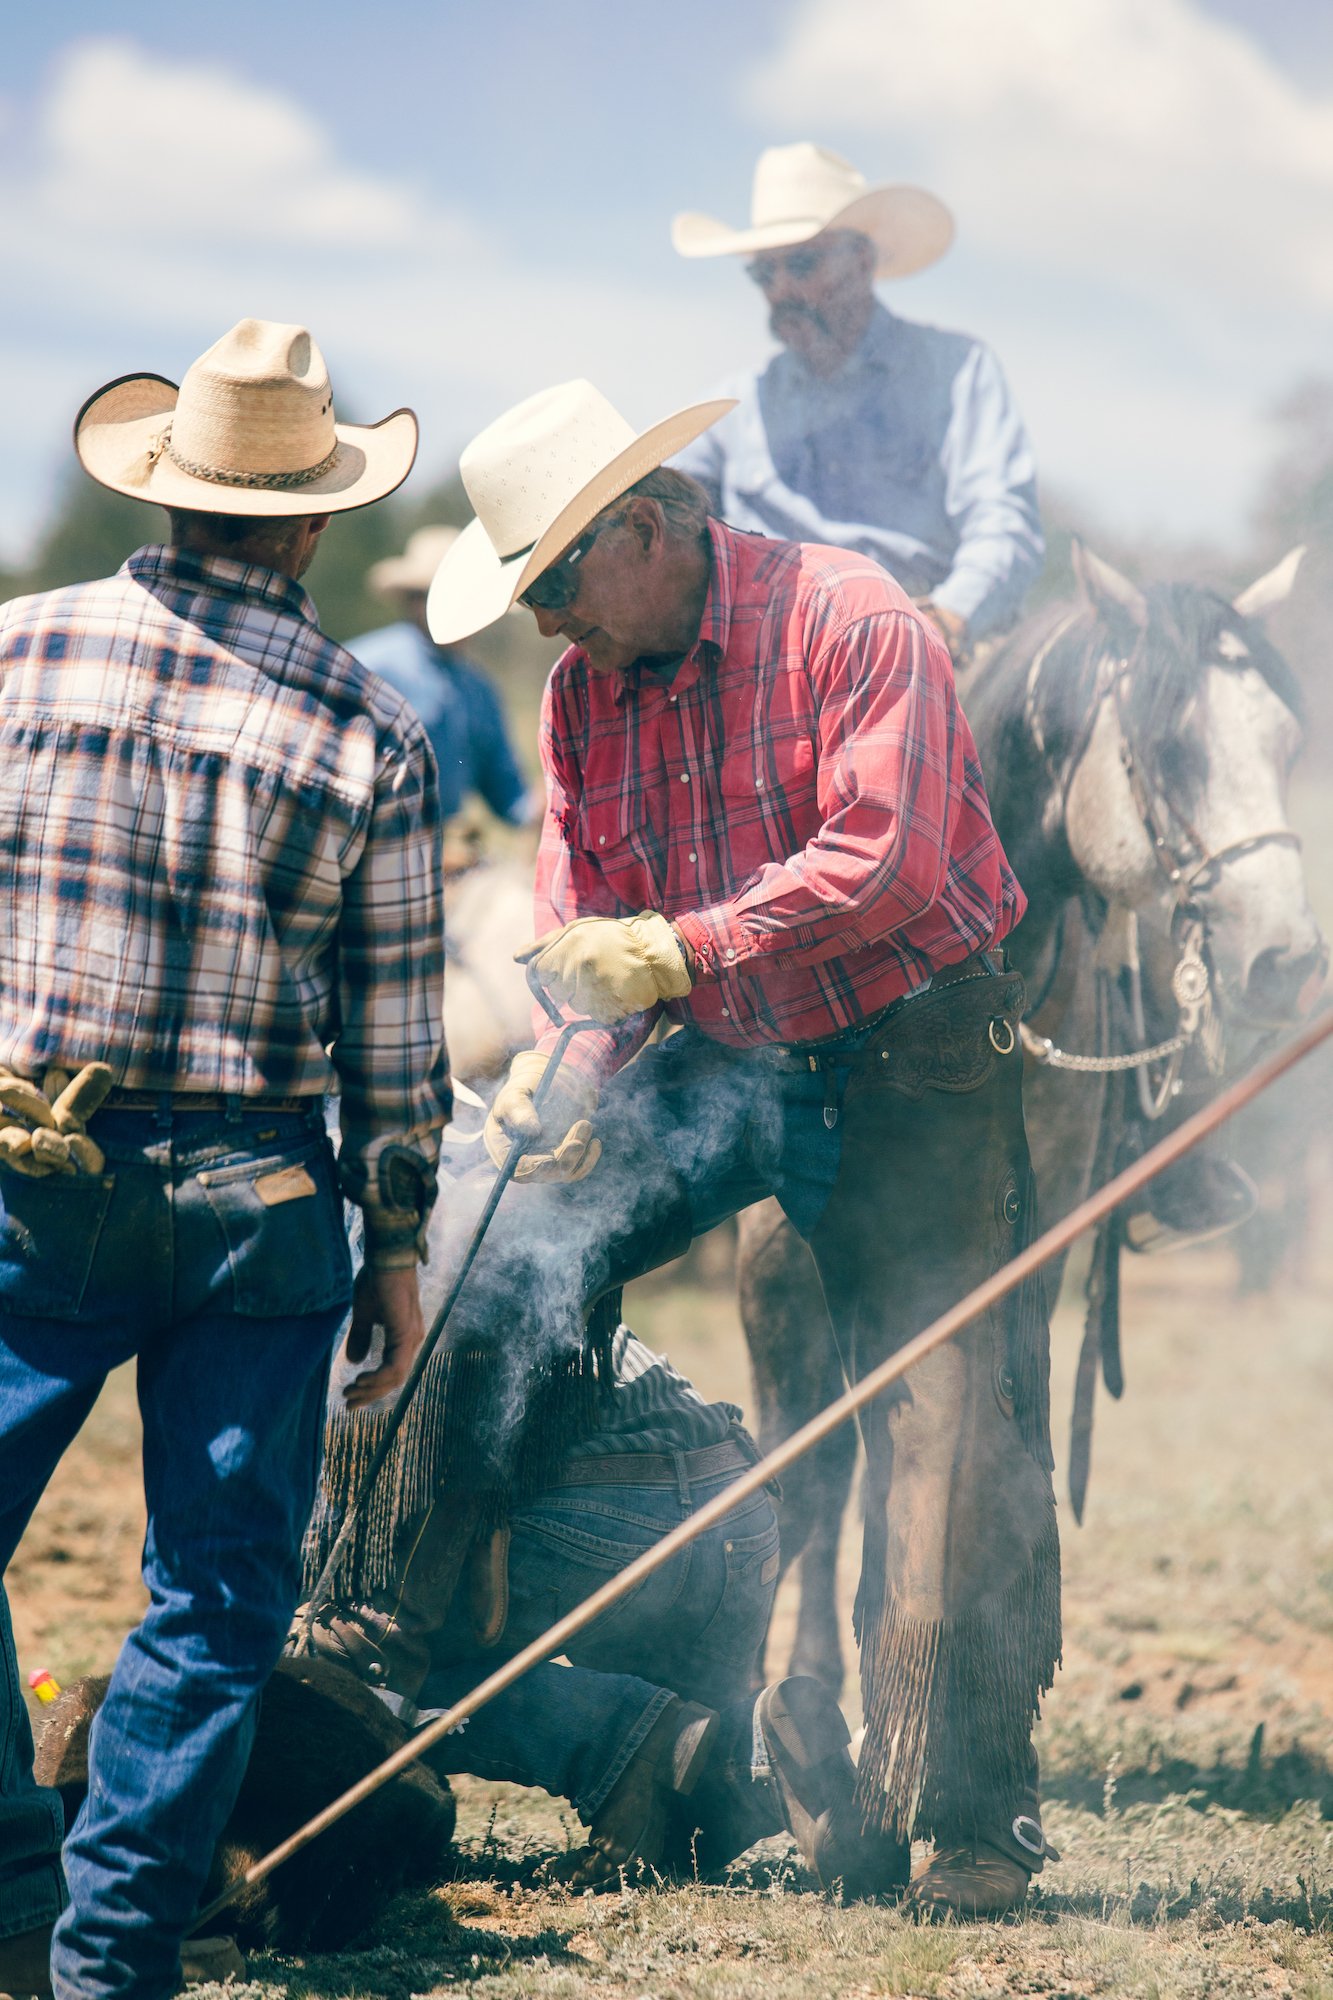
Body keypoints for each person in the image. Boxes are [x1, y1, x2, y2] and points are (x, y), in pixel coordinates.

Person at [308, 377, 1062, 1918]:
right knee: (493, 1245)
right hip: (726, 1046)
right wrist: (559, 1072)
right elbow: (586, 926)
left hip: (913, 1053)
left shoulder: (858, 623)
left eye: (555, 587)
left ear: (643, 531)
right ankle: (386, 1647)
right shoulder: (585, 694)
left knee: (945, 1416)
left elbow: (886, 862)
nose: (546, 628)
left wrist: (679, 948)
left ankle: (969, 1811)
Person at [0, 319, 452, 2000]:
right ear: (315, 523)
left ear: (168, 490)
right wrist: (395, 1259)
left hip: (32, 1174)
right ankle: (108, 1964)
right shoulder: (371, 730)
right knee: (213, 1597)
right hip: (260, 1211)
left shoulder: (16, 658)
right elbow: (396, 1051)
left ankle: (5, 1873)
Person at [669, 141, 1043, 665]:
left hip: (924, 650)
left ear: (861, 260)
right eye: (764, 273)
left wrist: (946, 618)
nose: (780, 289)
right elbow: (658, 504)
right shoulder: (733, 410)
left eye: (800, 264)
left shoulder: (955, 372)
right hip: (769, 666)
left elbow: (1003, 522)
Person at [349, 526, 540, 831]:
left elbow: (507, 791)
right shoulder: (369, 666)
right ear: (415, 602)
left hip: (439, 853)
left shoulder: (478, 690)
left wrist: (545, 809)